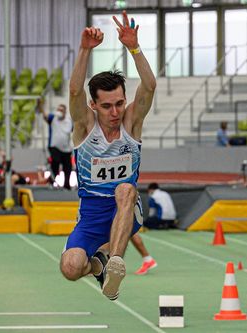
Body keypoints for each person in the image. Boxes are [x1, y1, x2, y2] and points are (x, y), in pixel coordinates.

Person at [60, 11, 156, 301]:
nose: (115, 112)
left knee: (126, 188)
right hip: (91, 215)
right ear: (93, 105)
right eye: (107, 106)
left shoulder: (131, 123)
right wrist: (85, 50)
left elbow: (149, 86)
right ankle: (98, 265)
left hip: (126, 209)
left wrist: (134, 48)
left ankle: (114, 263)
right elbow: (75, 90)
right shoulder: (85, 128)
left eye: (119, 103)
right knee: (70, 267)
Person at [39, 101, 73, 190]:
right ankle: (52, 182)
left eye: (61, 110)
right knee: (55, 163)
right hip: (54, 146)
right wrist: (41, 106)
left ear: (65, 112)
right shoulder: (53, 118)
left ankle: (67, 185)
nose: (59, 112)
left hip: (66, 149)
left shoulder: (69, 121)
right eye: (58, 110)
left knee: (68, 168)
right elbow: (45, 116)